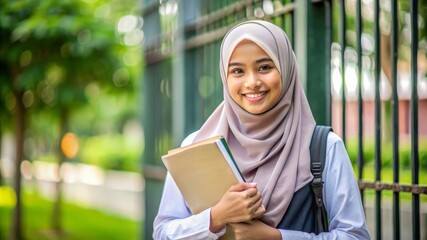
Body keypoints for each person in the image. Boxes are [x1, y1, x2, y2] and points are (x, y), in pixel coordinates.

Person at [153, 20, 370, 240]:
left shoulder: (324, 148)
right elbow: (163, 232)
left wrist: (277, 237)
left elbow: (355, 236)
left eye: (264, 67)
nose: (252, 82)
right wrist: (216, 217)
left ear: (286, 68)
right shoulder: (197, 145)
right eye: (237, 71)